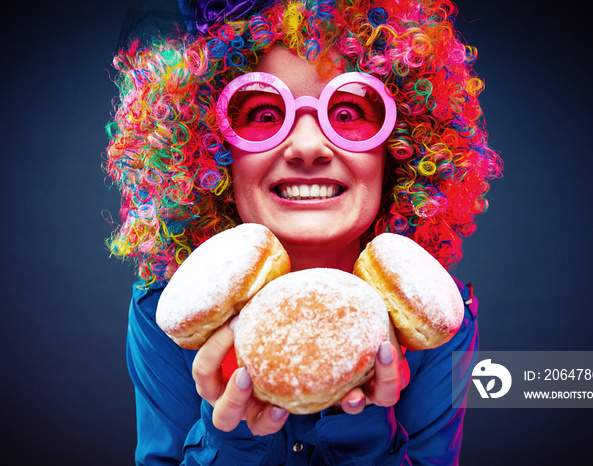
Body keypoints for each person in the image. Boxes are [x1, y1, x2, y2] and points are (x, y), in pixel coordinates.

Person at [104, 0, 502, 464]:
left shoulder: (437, 320)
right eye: (264, 115)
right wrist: (230, 436)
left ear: (398, 150)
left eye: (349, 114)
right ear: (207, 153)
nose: (309, 147)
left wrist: (365, 427)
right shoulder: (167, 317)